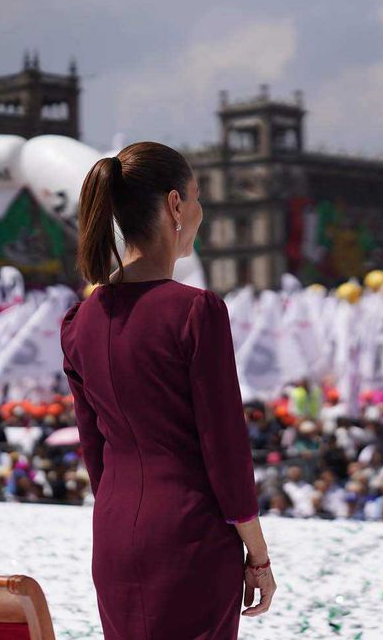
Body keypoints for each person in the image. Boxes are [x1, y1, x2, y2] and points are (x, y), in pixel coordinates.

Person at [62, 142, 275, 639]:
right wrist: (259, 555)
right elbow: (225, 449)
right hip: (189, 534)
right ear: (176, 205)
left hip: (114, 531)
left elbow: (95, 451)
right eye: (197, 198)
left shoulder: (79, 321)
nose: (200, 211)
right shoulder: (196, 311)